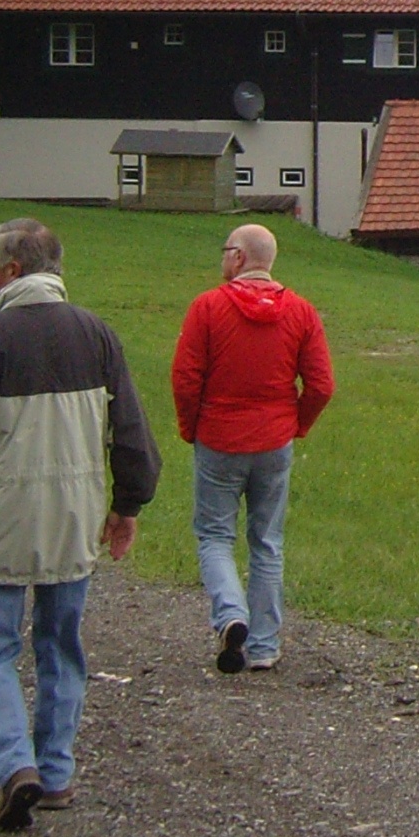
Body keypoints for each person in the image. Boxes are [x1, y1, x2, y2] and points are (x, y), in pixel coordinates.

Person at [0, 216, 159, 833]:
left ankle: (13, 764)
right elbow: (129, 432)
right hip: (73, 522)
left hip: (1, 522)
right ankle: (55, 771)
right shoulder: (98, 336)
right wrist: (127, 506)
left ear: (12, 271)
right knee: (61, 649)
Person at [171, 220, 334, 675]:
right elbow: (321, 385)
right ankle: (263, 645)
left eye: (226, 250)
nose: (223, 258)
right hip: (274, 440)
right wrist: (295, 425)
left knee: (215, 536)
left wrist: (191, 427)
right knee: (267, 542)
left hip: (219, 437)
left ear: (239, 258)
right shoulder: (300, 312)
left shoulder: (207, 308)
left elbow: (185, 379)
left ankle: (230, 614)